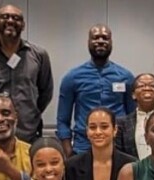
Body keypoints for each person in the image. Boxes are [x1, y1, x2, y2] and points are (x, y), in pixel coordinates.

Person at [0, 4, 53, 142]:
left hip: (29, 133)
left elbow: (46, 92)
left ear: (23, 25)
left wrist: (31, 112)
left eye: (16, 18)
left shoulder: (39, 55)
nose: (10, 21)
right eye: (5, 17)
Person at [56, 24, 134, 156]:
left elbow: (133, 116)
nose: (100, 41)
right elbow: (63, 120)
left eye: (105, 38)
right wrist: (69, 152)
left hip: (119, 147)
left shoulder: (126, 77)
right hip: (83, 147)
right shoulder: (72, 78)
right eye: (96, 37)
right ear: (88, 42)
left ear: (111, 42)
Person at [114, 73, 154, 159]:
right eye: (141, 85)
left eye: (152, 85)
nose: (147, 88)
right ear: (133, 95)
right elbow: (119, 155)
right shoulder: (121, 124)